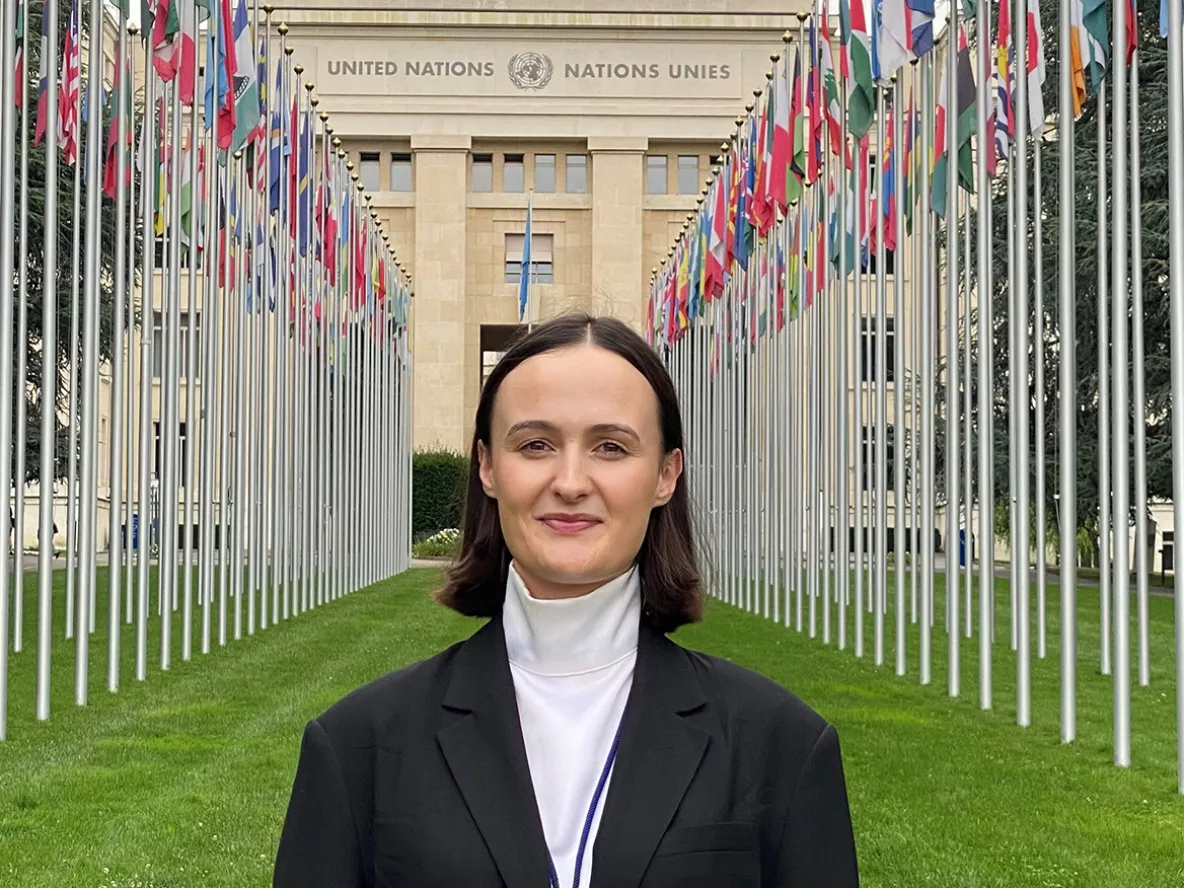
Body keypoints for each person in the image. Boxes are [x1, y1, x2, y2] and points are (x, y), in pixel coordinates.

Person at [273, 314, 859, 887]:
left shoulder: (782, 745)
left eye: (610, 447)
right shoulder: (358, 746)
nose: (571, 481)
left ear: (665, 475)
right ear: (487, 467)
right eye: (535, 444)